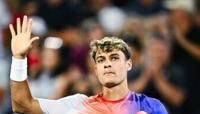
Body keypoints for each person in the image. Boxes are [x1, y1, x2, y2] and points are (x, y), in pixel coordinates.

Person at [9, 16, 167, 114]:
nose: (107, 64)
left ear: (129, 64)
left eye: (114, 58)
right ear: (95, 70)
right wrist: (18, 58)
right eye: (101, 60)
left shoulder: (150, 106)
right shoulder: (76, 105)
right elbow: (23, 106)